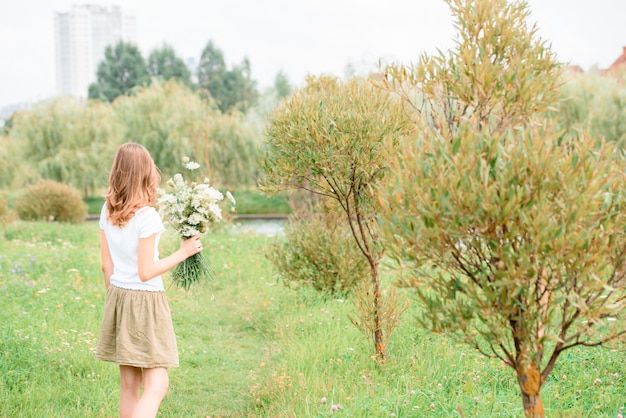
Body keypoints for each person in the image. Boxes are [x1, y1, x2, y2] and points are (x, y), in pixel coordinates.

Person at [96, 143, 202, 418]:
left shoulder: (107, 210)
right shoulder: (147, 216)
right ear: (146, 174)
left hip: (118, 295)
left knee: (130, 385)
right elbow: (146, 271)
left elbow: (106, 264)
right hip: (145, 300)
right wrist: (183, 252)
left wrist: (117, 299)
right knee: (158, 384)